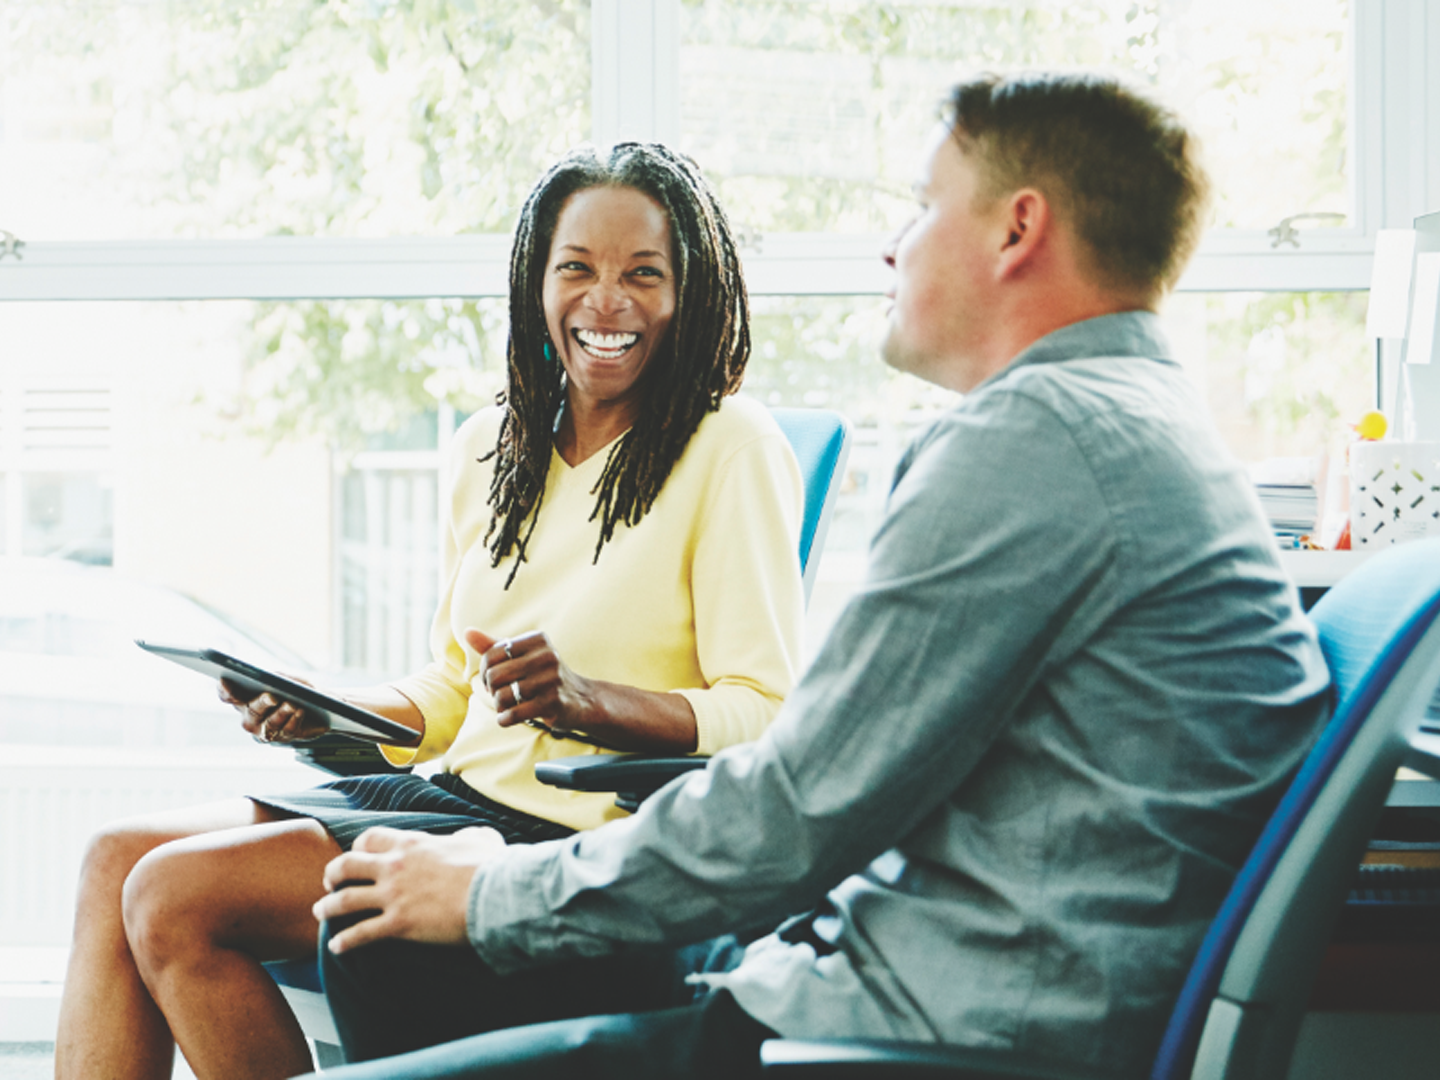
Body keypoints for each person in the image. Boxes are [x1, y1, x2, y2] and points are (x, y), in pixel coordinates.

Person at [305, 72, 1333, 1080]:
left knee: (398, 945)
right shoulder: (1139, 420)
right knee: (396, 941)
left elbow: (798, 805)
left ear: (1018, 229)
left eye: (925, 206)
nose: (895, 244)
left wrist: (495, 893)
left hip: (909, 1032)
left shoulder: (1034, 442)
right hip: (940, 983)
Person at [53, 142, 806, 1080]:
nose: (605, 302)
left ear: (688, 293)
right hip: (451, 795)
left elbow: (767, 711)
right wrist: (329, 712)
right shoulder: (490, 445)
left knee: (171, 895)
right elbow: (454, 685)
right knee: (112, 859)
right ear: (536, 281)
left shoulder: (731, 445)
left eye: (642, 275)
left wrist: (591, 702)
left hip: (567, 831)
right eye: (575, 268)